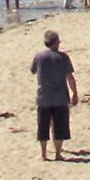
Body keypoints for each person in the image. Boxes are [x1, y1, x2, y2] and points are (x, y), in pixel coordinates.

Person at [31, 29, 77, 161]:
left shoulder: (39, 56)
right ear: (56, 43)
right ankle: (57, 153)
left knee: (43, 126)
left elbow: (33, 71)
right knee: (60, 126)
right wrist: (75, 93)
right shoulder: (63, 57)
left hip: (43, 97)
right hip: (60, 97)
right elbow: (70, 77)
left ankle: (44, 154)